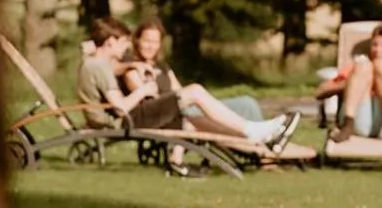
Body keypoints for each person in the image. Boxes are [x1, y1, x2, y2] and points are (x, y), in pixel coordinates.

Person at [75, 17, 298, 174]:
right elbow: (121, 106)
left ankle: (256, 138)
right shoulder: (99, 67)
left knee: (195, 117)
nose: (125, 47)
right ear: (110, 42)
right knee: (194, 91)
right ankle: (254, 132)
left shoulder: (95, 63)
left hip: (128, 116)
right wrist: (144, 90)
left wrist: (93, 49)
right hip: (126, 120)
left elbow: (110, 66)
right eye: (124, 42)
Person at [122, 21, 266, 126]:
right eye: (147, 41)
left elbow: (178, 90)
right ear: (137, 40)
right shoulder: (131, 65)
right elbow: (147, 98)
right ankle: (253, 134)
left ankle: (266, 145)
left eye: (155, 42)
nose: (150, 46)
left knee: (248, 103)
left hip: (186, 107)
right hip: (167, 115)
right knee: (201, 100)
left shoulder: (162, 66)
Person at [314, 21, 382, 143]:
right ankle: (348, 123)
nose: (377, 50)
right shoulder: (358, 70)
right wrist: (351, 84)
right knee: (364, 66)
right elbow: (319, 92)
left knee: (381, 65)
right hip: (359, 121)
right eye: (374, 45)